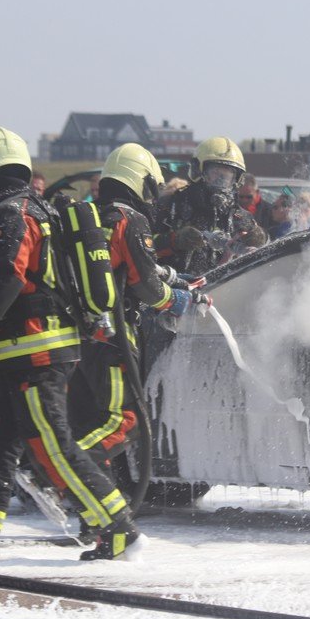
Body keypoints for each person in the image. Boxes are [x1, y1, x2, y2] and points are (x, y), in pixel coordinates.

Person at [0, 126, 140, 561]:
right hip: (17, 350)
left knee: (52, 444)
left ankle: (117, 525)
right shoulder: (13, 209)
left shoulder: (15, 212)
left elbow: (8, 280)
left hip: (37, 348)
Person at [70, 143, 209, 490]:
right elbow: (146, 286)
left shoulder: (91, 218)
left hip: (80, 339)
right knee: (126, 421)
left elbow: (131, 265)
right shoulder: (130, 220)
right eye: (151, 186)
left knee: (89, 420)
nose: (152, 195)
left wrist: (172, 267)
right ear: (139, 180)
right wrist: (179, 301)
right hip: (114, 338)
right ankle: (60, 474)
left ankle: (98, 497)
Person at [152, 137, 266, 275]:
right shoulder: (171, 206)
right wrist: (174, 240)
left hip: (223, 289)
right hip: (178, 289)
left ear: (237, 180)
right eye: (215, 173)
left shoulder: (240, 216)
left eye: (227, 176)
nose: (221, 181)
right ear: (198, 171)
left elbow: (264, 254)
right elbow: (143, 246)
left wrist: (259, 237)